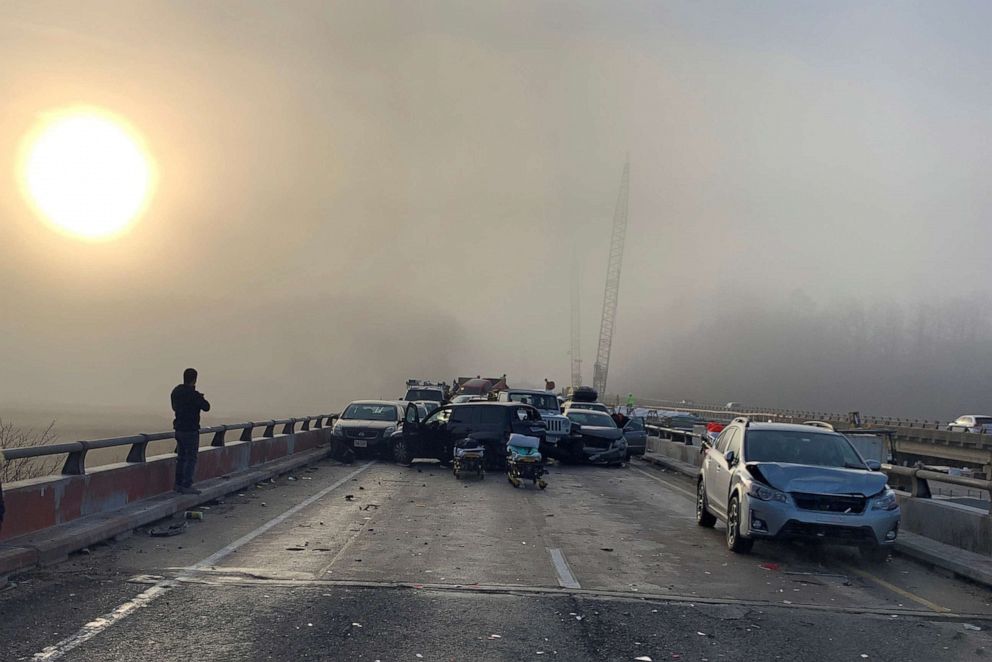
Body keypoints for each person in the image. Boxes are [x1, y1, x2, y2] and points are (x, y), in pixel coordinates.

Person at [171, 368, 211, 495]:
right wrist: (199, 397)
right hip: (190, 430)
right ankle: (187, 485)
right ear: (194, 379)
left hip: (179, 429)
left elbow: (174, 407)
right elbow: (206, 407)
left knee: (181, 458)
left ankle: (178, 485)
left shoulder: (176, 391)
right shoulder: (194, 395)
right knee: (191, 458)